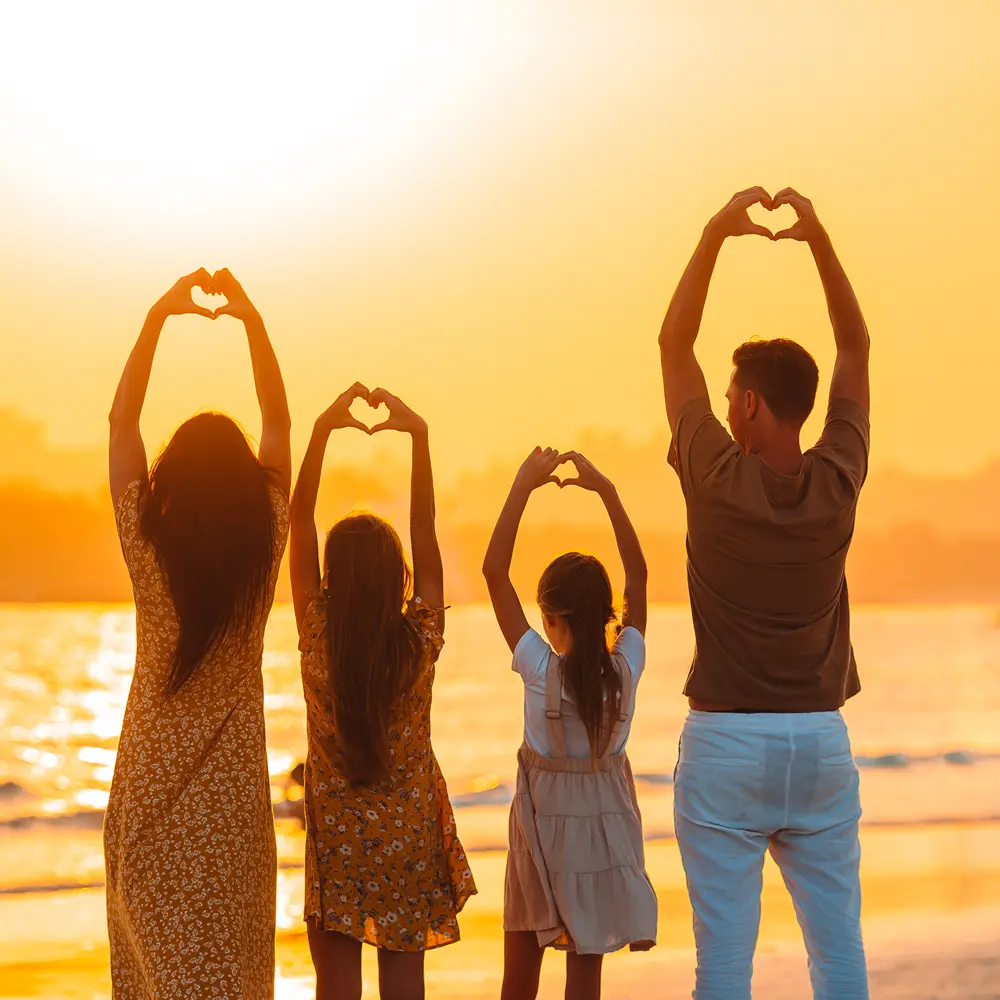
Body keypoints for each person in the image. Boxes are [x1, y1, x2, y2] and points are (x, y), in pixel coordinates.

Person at [659, 187, 871, 999]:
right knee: (838, 954)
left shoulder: (714, 478)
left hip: (726, 748)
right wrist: (817, 236)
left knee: (724, 966)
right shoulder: (839, 478)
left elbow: (675, 340)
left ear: (748, 404)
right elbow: (853, 342)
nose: (721, 406)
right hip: (820, 743)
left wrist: (716, 230)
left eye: (729, 398)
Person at [106, 269, 291, 998]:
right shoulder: (264, 543)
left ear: (172, 479)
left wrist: (157, 316)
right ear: (247, 489)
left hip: (146, 812)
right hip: (233, 820)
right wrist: (251, 322)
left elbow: (122, 426)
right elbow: (278, 424)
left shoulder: (146, 546)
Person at [289, 383, 476, 1000]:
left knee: (335, 987)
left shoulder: (317, 632)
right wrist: (418, 437)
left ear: (331, 578)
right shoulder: (419, 639)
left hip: (339, 838)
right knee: (405, 989)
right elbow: (426, 528)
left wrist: (320, 430)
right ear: (398, 576)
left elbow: (297, 519)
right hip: (410, 837)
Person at [483, 448, 657, 1000]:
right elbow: (640, 577)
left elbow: (493, 572)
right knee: (585, 978)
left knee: (520, 980)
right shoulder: (625, 669)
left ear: (551, 620)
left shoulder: (539, 671)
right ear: (607, 613)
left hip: (539, 837)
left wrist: (522, 484)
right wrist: (606, 490)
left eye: (544, 618)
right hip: (602, 835)